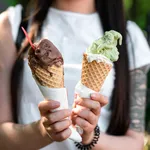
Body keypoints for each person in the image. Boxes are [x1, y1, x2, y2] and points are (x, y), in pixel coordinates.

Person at [0, 0, 150, 149]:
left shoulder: (129, 37)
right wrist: (43, 131)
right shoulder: (12, 23)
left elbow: (134, 143)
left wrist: (90, 137)